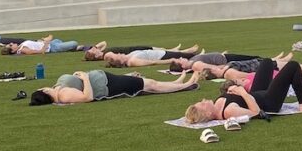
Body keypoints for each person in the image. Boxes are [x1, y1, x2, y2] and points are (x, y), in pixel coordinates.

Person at [184, 60, 302, 124]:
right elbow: (256, 112)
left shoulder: (217, 104)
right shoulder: (229, 112)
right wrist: (242, 92)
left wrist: (232, 90)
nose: (203, 100)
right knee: (293, 66)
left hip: (257, 94)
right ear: (208, 113)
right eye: (201, 104)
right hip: (269, 102)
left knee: (267, 63)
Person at [28, 69, 198, 105]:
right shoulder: (64, 96)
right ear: (44, 92)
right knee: (150, 85)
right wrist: (86, 77)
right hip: (108, 86)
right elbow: (87, 97)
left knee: (147, 82)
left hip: (105, 79)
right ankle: (185, 85)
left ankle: (176, 83)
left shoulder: (59, 89)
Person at [83, 41, 199, 61]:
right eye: (93, 50)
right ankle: (184, 51)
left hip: (134, 49)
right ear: (95, 55)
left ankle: (179, 50)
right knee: (158, 50)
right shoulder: (106, 55)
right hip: (135, 51)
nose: (94, 48)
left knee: (159, 50)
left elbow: (104, 42)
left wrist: (96, 47)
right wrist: (96, 52)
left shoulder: (103, 51)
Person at [104, 48, 207, 68]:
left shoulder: (128, 56)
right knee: (190, 57)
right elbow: (152, 62)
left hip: (161, 53)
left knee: (189, 56)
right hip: (163, 56)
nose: (118, 53)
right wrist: (169, 60)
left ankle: (204, 56)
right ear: (119, 61)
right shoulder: (132, 61)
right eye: (116, 55)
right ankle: (205, 57)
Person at [0, 35, 81, 55]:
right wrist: (47, 42)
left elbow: (36, 43)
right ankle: (73, 48)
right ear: (13, 50)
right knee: (74, 43)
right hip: (52, 48)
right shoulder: (24, 49)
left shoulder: (21, 45)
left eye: (9, 44)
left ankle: (70, 48)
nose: (11, 43)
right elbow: (41, 51)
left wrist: (43, 40)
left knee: (58, 40)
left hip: (51, 43)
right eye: (10, 45)